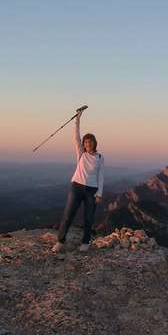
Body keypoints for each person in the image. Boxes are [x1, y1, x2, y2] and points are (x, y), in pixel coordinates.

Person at [52, 108, 104, 253]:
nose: (88, 144)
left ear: (94, 143)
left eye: (90, 141)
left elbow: (101, 176)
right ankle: (60, 241)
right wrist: (78, 119)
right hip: (76, 186)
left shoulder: (100, 157)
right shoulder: (81, 154)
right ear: (83, 144)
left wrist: (99, 193)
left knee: (88, 218)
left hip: (91, 190)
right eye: (86, 142)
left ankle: (86, 243)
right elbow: (76, 136)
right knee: (68, 215)